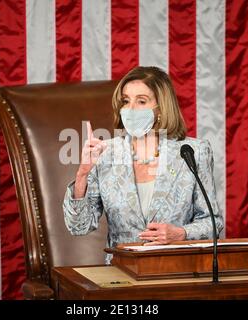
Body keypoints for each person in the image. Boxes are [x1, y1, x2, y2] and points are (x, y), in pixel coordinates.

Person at [62, 66, 223, 264]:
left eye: (141, 101)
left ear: (161, 109)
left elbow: (213, 222)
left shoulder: (194, 151)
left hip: (177, 270)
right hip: (122, 273)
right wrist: (82, 174)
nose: (130, 109)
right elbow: (79, 227)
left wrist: (181, 233)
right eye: (126, 101)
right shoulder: (104, 153)